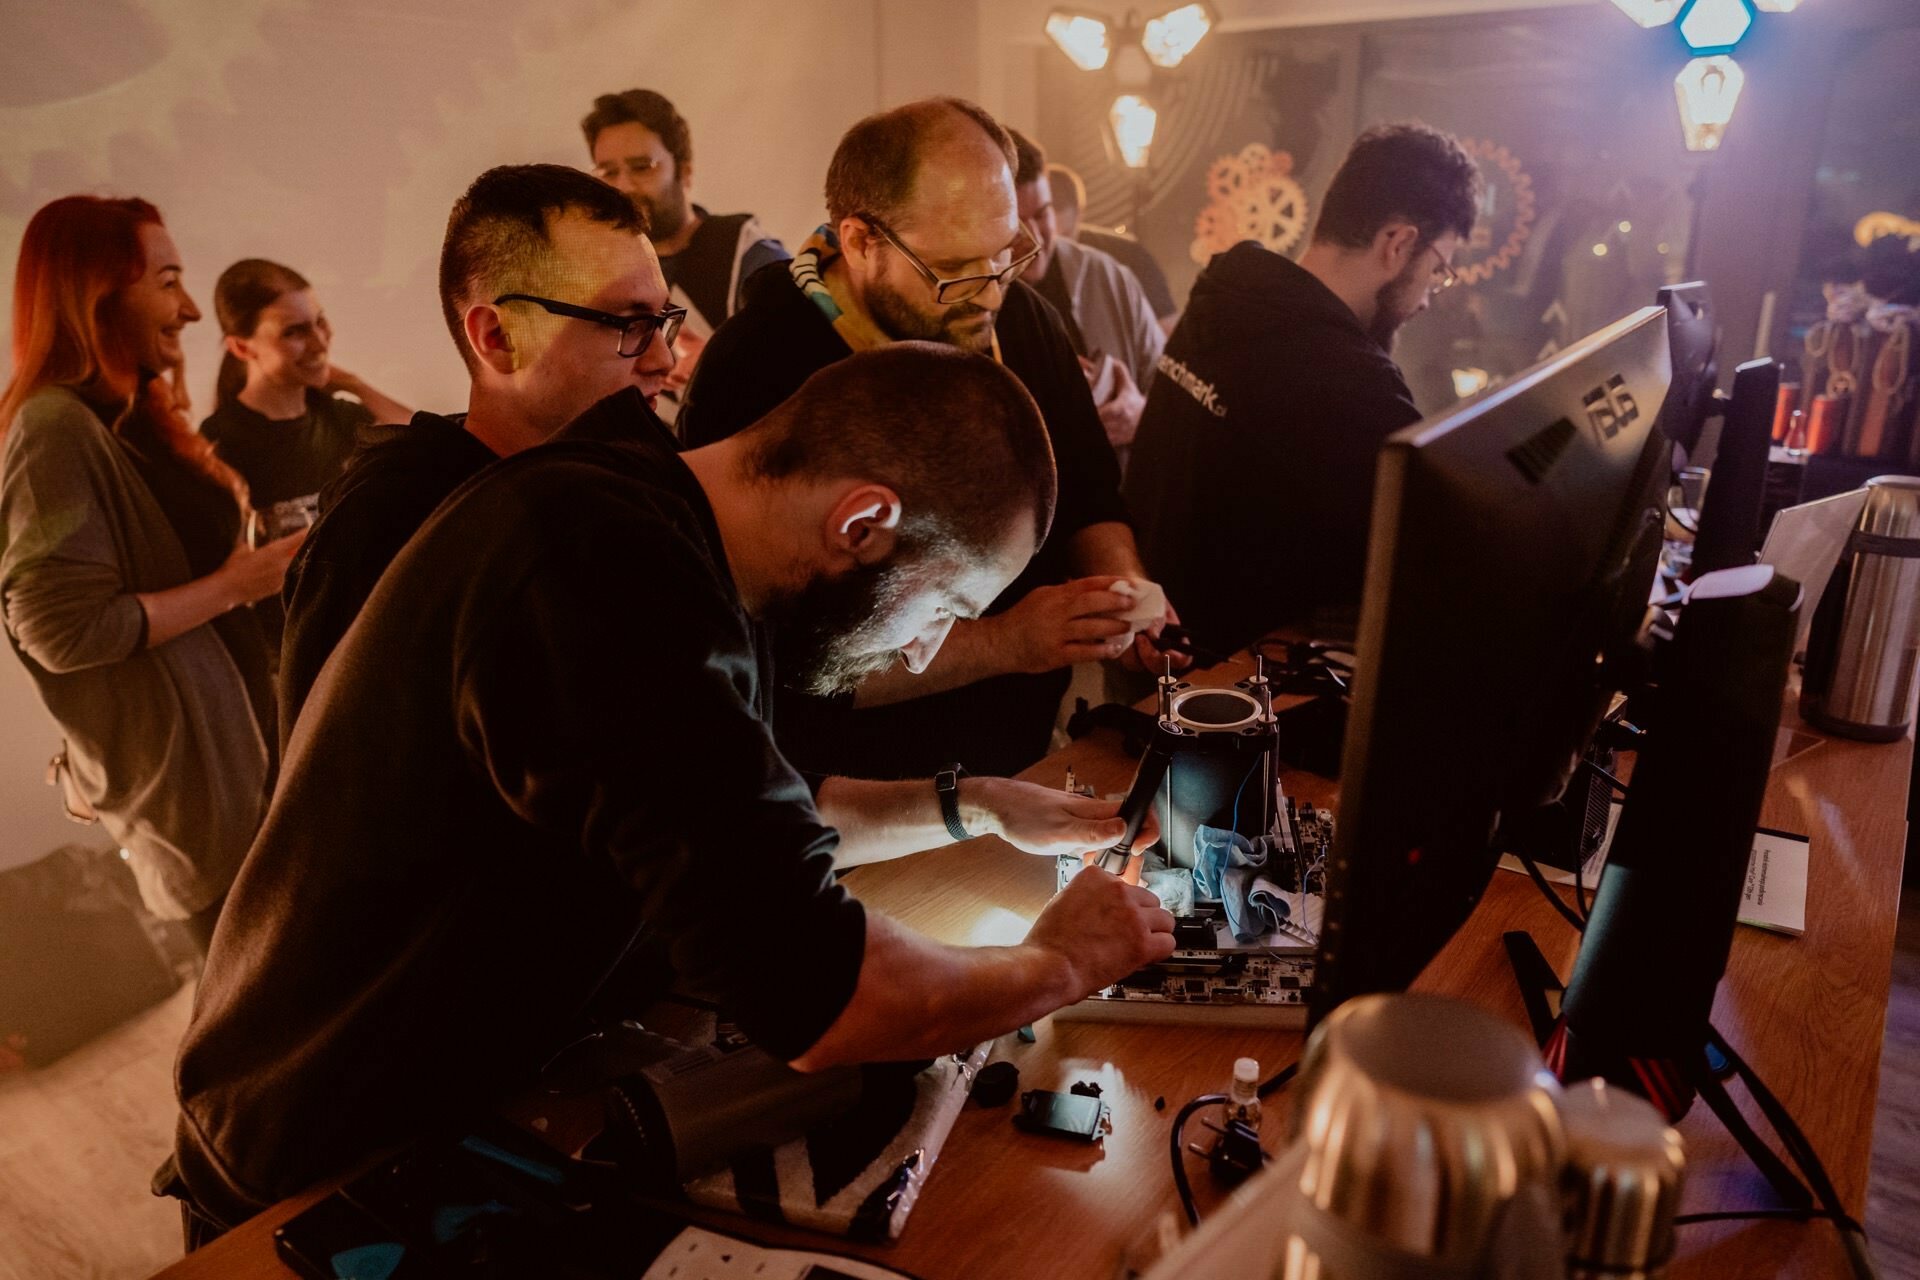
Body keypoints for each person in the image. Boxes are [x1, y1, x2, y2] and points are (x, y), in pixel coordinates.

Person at [171, 344, 1176, 1237]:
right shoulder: (604, 580)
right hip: (314, 1145)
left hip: (468, 1094)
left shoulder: (655, 516)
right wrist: (1061, 957)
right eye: (944, 605)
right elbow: (827, 993)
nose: (923, 646)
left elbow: (750, 816)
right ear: (864, 517)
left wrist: (971, 804)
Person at [682, 97, 1185, 781]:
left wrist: (1129, 592)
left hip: (1019, 752)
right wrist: (1007, 640)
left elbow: (1090, 491)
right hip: (860, 782)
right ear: (861, 240)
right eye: (957, 270)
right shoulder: (757, 364)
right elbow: (776, 657)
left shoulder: (1024, 319)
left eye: (1007, 255)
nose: (993, 296)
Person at [275, 164, 677, 746]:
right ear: (498, 338)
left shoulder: (646, 478)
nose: (663, 360)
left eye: (662, 320)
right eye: (631, 324)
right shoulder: (388, 531)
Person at [0, 197, 301, 954]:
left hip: (254, 767)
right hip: (202, 813)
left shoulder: (132, 416)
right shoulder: (52, 429)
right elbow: (59, 630)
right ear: (96, 293)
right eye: (168, 282)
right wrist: (238, 583)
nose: (191, 309)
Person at [1125, 123, 1480, 655]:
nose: (1429, 297)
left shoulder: (1227, 289)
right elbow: (1441, 552)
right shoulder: (1352, 382)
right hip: (1228, 682)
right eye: (1438, 270)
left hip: (1147, 633)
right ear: (1399, 243)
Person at [584, 88, 790, 419]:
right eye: (608, 172)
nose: (624, 186)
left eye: (642, 167)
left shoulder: (747, 255)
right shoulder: (598, 269)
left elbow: (799, 374)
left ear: (686, 172)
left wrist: (723, 369)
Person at [203, 258, 411, 516]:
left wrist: (355, 384)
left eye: (320, 322)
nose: (320, 343)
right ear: (242, 347)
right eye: (293, 332)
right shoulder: (218, 442)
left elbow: (427, 443)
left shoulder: (336, 417)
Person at [1011, 130, 1163, 456]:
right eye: (1016, 224)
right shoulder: (965, 301)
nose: (1035, 238)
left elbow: (1176, 398)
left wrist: (1140, 414)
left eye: (1042, 214)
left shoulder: (1107, 276)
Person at [1047, 160, 1180, 334]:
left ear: (1079, 214)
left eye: (1062, 238)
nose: (1055, 250)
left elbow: (1167, 330)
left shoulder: (1130, 256)